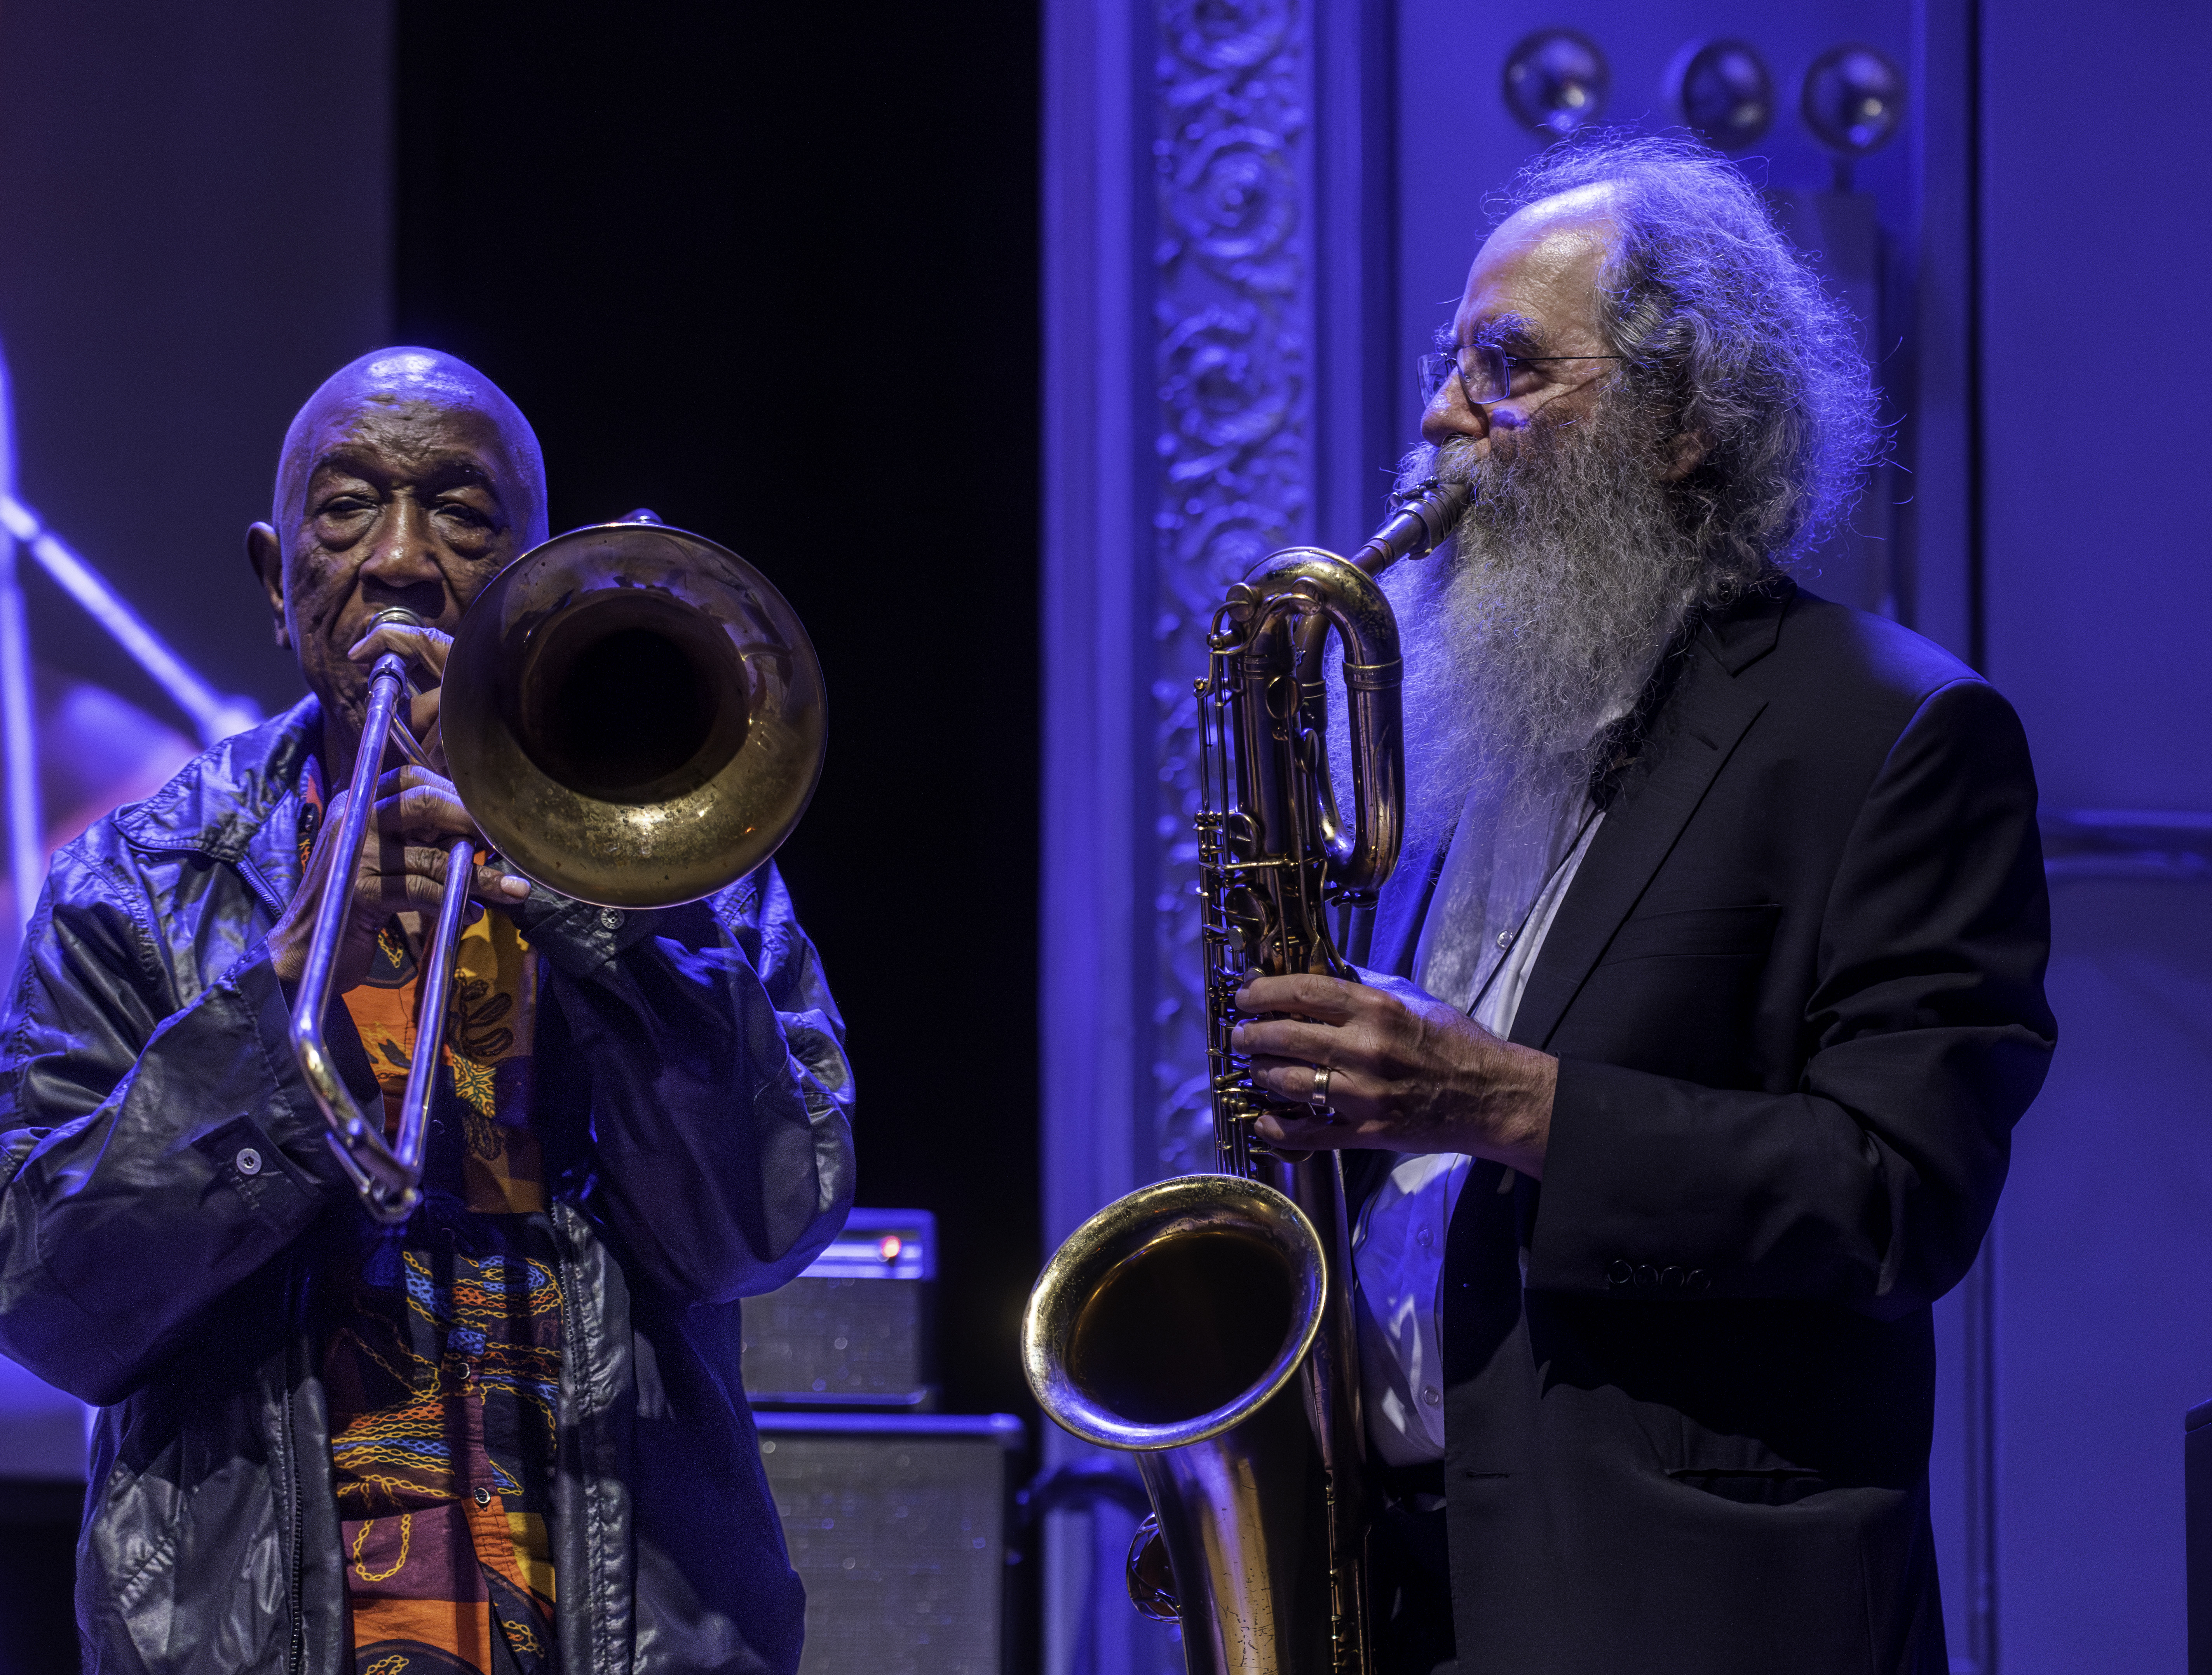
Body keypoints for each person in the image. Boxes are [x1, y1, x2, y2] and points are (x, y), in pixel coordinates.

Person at [1232, 135, 2054, 1674]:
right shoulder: (1452, 728)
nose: (1437, 419)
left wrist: (1503, 1100)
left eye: (1506, 368)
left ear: (1686, 421)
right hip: (1385, 1585)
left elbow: (1895, 1195)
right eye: (1445, 363)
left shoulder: (1892, 732)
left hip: (1679, 1608)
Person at [0, 348, 854, 1675]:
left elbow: (766, 1225)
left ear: (533, 571)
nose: (401, 559)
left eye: (463, 512)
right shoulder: (131, 884)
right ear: (278, 584)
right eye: (347, 509)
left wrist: (594, 920)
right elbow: (48, 1305)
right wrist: (270, 1014)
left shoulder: (676, 859)